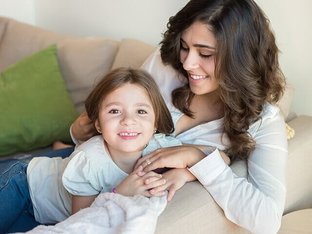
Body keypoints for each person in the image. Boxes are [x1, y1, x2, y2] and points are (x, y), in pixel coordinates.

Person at [71, 0, 288, 233]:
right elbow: (104, 131)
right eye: (185, 47)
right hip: (68, 176)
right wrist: (76, 132)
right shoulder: (166, 66)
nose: (187, 62)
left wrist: (195, 160)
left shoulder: (263, 122)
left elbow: (267, 221)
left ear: (240, 58)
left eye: (205, 53)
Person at [0, 67, 185, 233]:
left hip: (45, 215)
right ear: (98, 124)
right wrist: (119, 194)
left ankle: (61, 149)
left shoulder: (161, 148)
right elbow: (82, 219)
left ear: (155, 124)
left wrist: (183, 174)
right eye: (114, 111)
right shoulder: (89, 160)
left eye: (141, 111)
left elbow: (199, 159)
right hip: (21, 184)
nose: (129, 120)